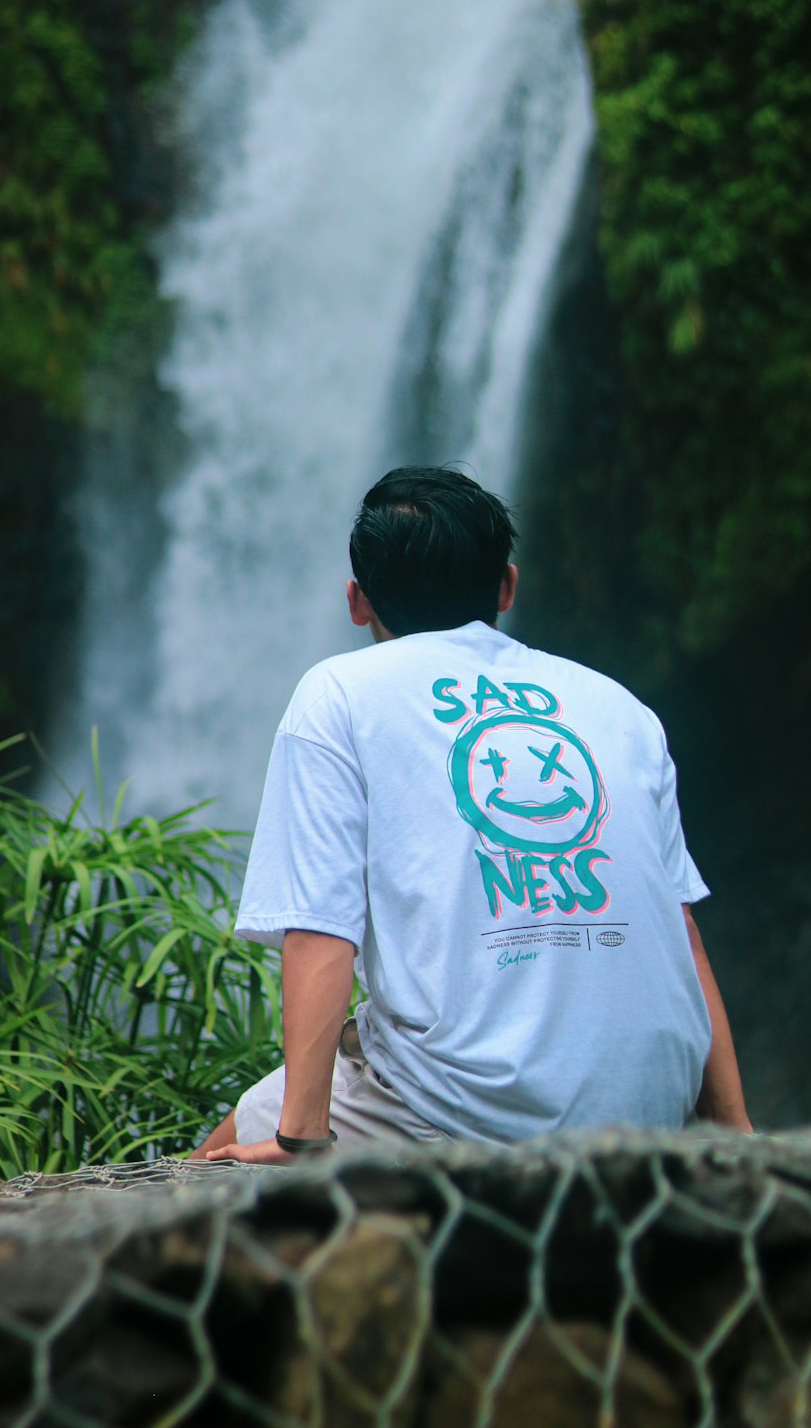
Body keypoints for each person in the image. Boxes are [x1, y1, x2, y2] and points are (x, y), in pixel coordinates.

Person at [194, 465, 751, 1164]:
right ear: (507, 587)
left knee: (227, 1146)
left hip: (480, 1111)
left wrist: (300, 1138)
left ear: (358, 602)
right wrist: (737, 1139)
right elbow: (682, 932)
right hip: (652, 1107)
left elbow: (321, 930)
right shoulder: (619, 706)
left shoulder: (338, 693)